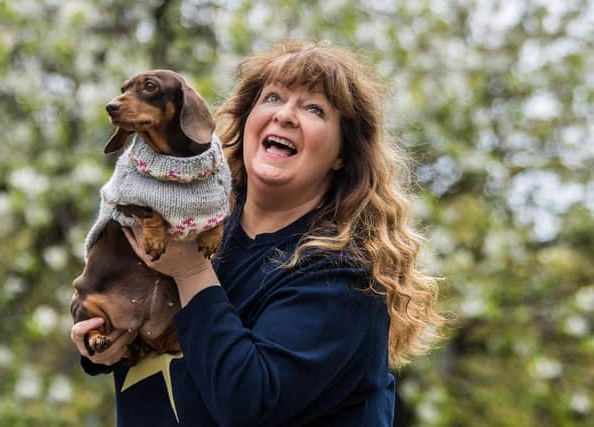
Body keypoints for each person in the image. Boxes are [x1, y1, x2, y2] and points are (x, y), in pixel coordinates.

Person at [71, 40, 445, 427]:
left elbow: (249, 404)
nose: (285, 115)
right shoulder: (189, 227)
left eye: (314, 109)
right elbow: (137, 320)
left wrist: (190, 273)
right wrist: (102, 343)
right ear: (248, 121)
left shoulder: (344, 277)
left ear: (342, 154)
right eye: (273, 98)